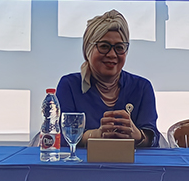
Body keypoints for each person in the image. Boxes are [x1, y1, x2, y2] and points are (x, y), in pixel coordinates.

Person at [56, 10, 159, 147]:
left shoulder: (142, 87)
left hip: (131, 161)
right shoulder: (69, 85)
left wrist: (137, 135)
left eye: (119, 47)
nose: (112, 54)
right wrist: (96, 135)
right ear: (88, 50)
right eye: (104, 46)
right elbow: (60, 137)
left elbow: (153, 138)